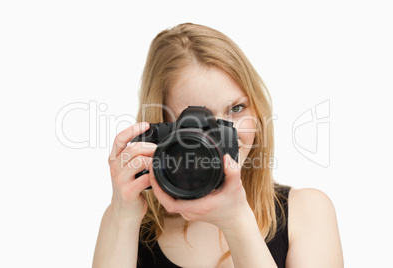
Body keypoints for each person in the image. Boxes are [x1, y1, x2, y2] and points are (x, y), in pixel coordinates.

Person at [92, 23, 344, 268]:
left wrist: (238, 221)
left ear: (257, 109)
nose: (226, 133)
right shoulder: (127, 220)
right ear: (163, 131)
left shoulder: (307, 212)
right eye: (199, 122)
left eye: (236, 108)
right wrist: (123, 215)